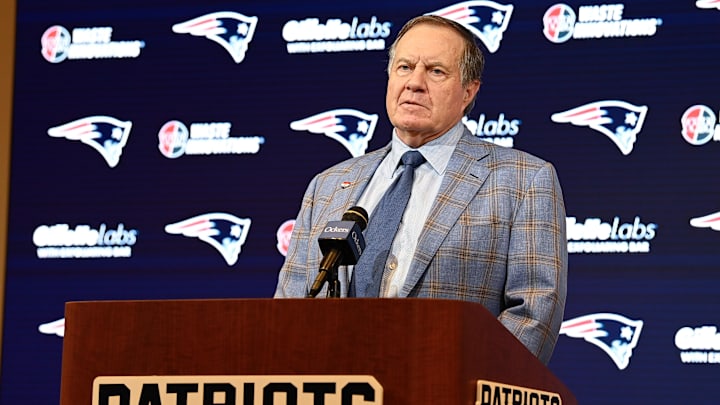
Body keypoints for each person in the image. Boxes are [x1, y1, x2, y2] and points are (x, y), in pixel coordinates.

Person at [274, 15, 567, 365]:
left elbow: (533, 311)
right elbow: (289, 308)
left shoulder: (523, 180)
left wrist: (458, 387)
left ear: (469, 91)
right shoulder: (328, 185)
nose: (414, 82)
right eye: (404, 67)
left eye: (436, 71)